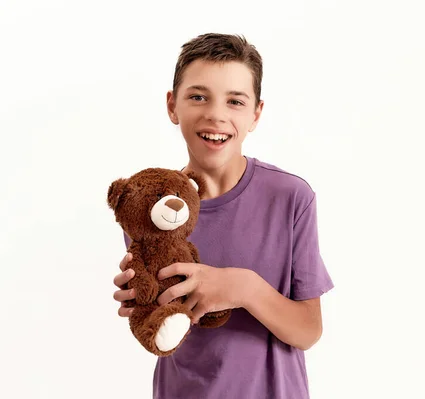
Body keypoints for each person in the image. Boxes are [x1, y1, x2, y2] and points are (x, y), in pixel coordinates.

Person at [111, 33, 334, 399]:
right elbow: (162, 328)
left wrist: (244, 288)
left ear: (255, 114)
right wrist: (143, 305)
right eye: (198, 96)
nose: (216, 114)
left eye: (235, 101)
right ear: (172, 106)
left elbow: (308, 331)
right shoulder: (151, 208)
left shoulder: (291, 198)